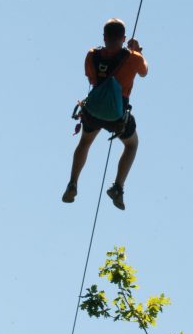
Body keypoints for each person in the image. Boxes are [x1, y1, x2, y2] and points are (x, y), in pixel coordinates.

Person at [62, 18, 148, 210]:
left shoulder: (92, 55)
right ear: (123, 38)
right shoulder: (133, 58)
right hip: (117, 117)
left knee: (85, 142)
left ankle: (73, 183)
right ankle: (118, 187)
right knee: (132, 145)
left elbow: (92, 78)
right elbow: (144, 72)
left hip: (93, 111)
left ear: (104, 36)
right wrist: (138, 51)